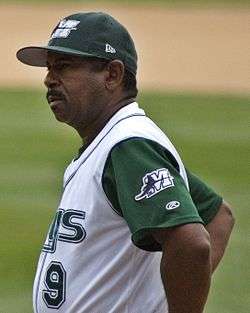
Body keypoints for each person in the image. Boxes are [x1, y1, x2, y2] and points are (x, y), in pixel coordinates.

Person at [16, 12, 234, 313]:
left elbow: (193, 243)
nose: (49, 79)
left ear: (112, 75)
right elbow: (217, 215)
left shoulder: (129, 145)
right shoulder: (115, 143)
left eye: (64, 67)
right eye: (50, 68)